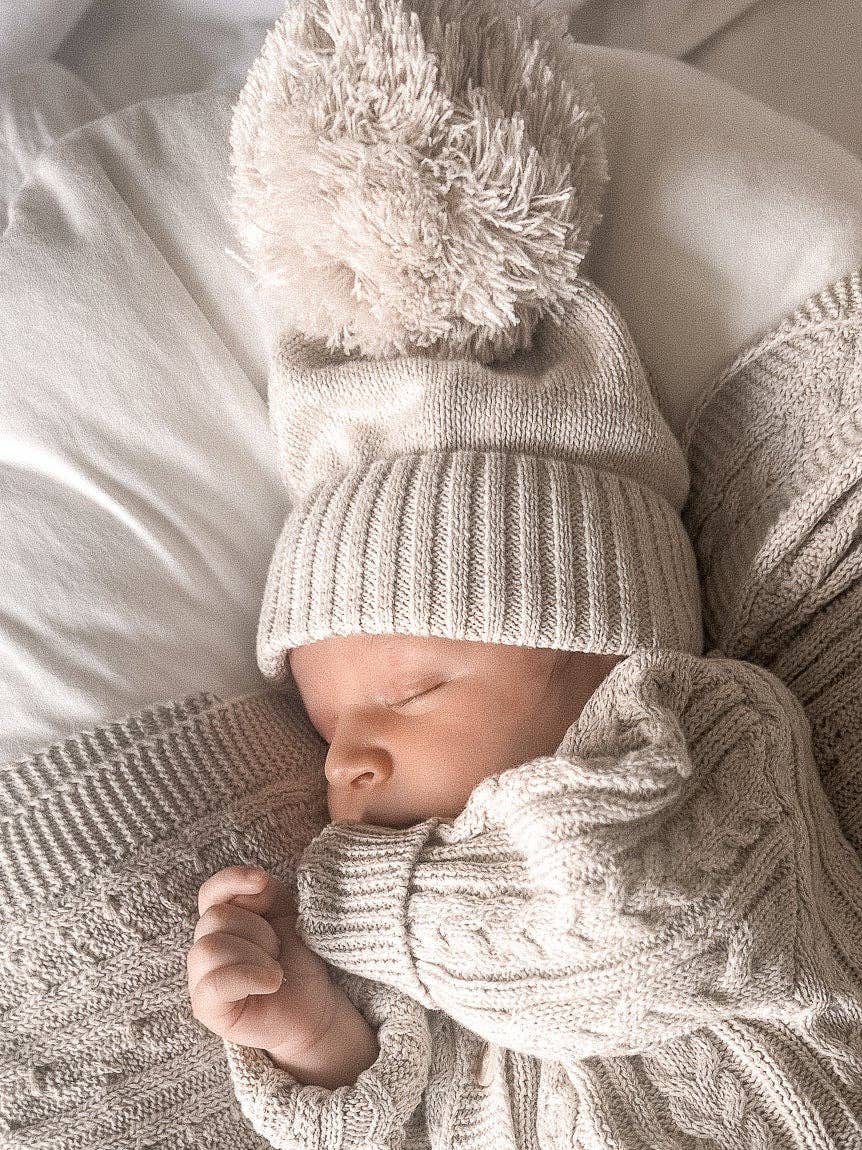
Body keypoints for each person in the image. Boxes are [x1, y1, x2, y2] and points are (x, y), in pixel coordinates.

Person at [186, 0, 862, 1143]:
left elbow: (639, 915)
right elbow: (418, 1110)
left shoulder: (713, 744)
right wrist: (314, 1032)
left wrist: (353, 903)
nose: (344, 758)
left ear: (601, 654)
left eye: (409, 690)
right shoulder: (434, 940)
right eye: (326, 721)